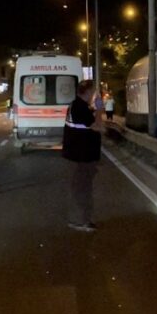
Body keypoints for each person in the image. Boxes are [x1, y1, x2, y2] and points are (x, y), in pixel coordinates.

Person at [62, 80, 104, 232]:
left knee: (80, 188)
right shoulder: (80, 107)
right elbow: (98, 126)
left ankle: (79, 219)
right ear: (87, 92)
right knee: (83, 189)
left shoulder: (77, 106)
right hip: (81, 156)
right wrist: (99, 109)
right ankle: (81, 221)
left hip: (79, 155)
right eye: (94, 92)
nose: (95, 95)